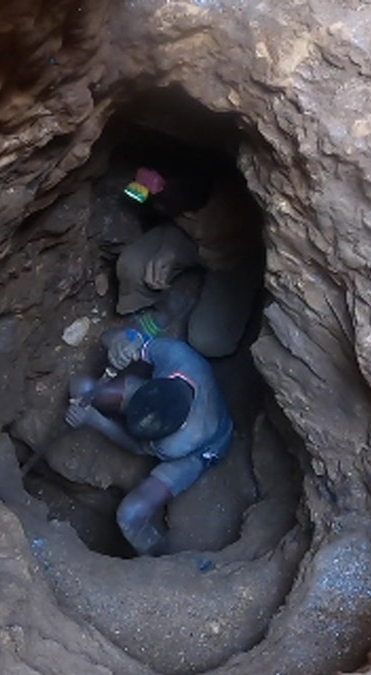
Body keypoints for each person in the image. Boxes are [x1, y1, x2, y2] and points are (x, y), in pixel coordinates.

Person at [65, 328, 233, 556]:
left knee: (130, 516)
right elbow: (120, 336)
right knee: (82, 388)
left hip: (200, 452)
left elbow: (136, 447)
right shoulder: (177, 355)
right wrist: (123, 344)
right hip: (162, 406)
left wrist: (96, 421)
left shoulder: (178, 443)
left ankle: (161, 559)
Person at [116, 167, 265, 359]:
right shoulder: (174, 191)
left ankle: (190, 297)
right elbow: (170, 213)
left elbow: (255, 246)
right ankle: (151, 313)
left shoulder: (238, 207)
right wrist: (169, 249)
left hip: (234, 259)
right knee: (133, 265)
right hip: (187, 239)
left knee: (209, 341)